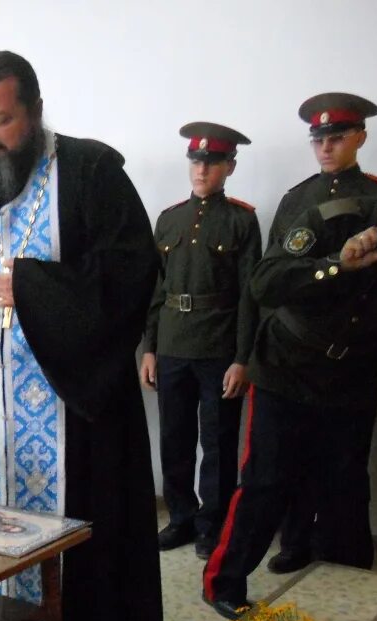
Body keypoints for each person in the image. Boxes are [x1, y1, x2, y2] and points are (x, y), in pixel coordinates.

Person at [0, 50, 164, 621]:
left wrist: (34, 288)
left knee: (71, 519)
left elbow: (132, 272)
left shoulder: (90, 171)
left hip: (68, 405)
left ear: (33, 110)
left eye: (1, 120)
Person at [202, 135, 377, 621]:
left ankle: (345, 589)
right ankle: (222, 582)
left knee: (344, 485)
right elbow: (265, 283)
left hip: (354, 382)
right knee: (265, 483)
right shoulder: (334, 216)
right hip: (287, 370)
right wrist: (335, 265)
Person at [266, 92, 377, 575]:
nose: (326, 147)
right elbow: (272, 277)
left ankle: (346, 546)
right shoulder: (297, 199)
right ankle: (294, 541)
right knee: (294, 456)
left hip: (355, 351)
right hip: (297, 349)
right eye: (318, 138)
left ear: (360, 137)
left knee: (346, 458)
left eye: (336, 137)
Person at [140, 123, 261, 560]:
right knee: (173, 438)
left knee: (218, 442)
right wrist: (149, 348)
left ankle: (214, 524)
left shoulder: (242, 220)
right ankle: (181, 518)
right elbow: (155, 290)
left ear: (229, 167)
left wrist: (242, 358)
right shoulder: (169, 218)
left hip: (218, 348)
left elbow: (251, 295)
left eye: (211, 162)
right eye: (196, 161)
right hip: (172, 343)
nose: (201, 169)